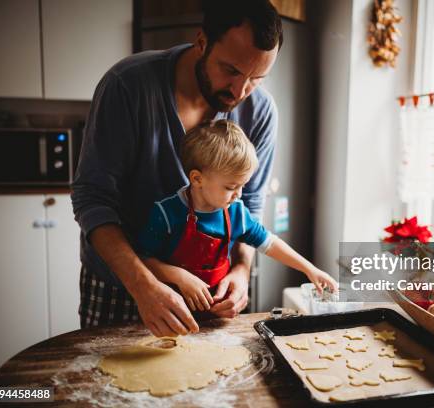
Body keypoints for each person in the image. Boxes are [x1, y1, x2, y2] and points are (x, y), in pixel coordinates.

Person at [71, 0, 283, 336]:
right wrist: (144, 286)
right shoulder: (128, 85)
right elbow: (92, 200)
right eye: (230, 70)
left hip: (209, 293)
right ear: (201, 42)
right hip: (122, 284)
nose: (240, 92)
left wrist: (242, 271)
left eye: (256, 78)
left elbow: (250, 207)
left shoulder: (260, 111)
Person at [137, 120, 337, 336]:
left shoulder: (236, 212)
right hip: (171, 318)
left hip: (217, 319)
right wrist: (178, 276)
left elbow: (269, 243)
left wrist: (310, 269)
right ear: (197, 179)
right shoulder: (167, 213)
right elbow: (143, 260)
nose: (239, 194)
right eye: (231, 187)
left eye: (243, 186)